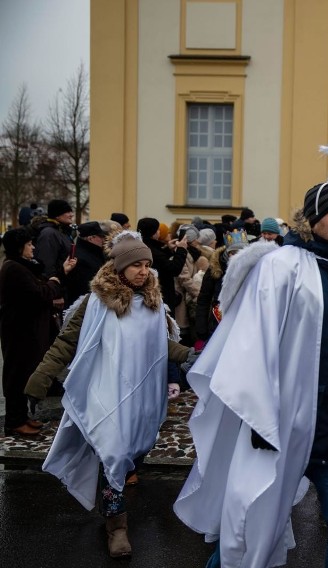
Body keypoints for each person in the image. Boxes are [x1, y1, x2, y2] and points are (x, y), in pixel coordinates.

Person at [173, 179, 328, 568]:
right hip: (282, 426)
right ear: (312, 220)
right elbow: (251, 345)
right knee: (253, 529)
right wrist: (259, 418)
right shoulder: (281, 267)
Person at [24, 231, 193, 558]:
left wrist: (186, 354)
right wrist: (40, 378)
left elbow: (158, 344)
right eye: (137, 265)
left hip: (141, 396)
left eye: (147, 265)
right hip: (106, 391)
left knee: (132, 454)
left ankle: (113, 500)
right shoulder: (97, 303)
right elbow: (68, 342)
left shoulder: (154, 304)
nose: (144, 271)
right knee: (113, 454)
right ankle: (117, 526)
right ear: (120, 267)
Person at [0, 228, 74, 436]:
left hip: (28, 330)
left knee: (26, 373)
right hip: (19, 331)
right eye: (29, 244)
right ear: (19, 246)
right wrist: (55, 281)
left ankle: (23, 417)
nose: (33, 247)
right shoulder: (14, 268)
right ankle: (15, 422)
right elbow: (40, 293)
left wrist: (61, 273)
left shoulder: (24, 266)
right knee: (17, 375)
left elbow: (43, 287)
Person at [137, 217, 188, 315]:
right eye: (157, 230)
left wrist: (168, 249)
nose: (159, 232)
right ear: (153, 233)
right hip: (161, 296)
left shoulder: (143, 246)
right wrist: (181, 250)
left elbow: (161, 261)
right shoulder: (152, 251)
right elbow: (174, 269)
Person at [64, 221, 108, 306]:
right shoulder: (81, 257)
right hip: (83, 305)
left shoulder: (93, 252)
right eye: (101, 236)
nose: (103, 239)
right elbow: (84, 287)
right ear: (91, 238)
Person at [34, 199, 75, 280]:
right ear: (57, 215)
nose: (71, 214)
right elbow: (46, 265)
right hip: (56, 285)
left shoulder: (61, 231)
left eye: (71, 212)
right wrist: (53, 285)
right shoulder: (49, 234)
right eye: (67, 212)